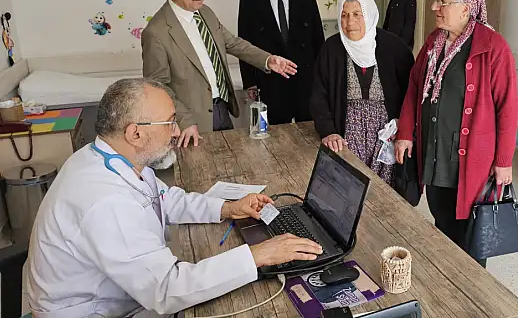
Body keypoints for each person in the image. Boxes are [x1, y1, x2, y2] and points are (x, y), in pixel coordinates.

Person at [25, 78, 322, 317]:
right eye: (169, 122)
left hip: (118, 294)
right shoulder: (105, 202)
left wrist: (229, 208)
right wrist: (257, 255)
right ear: (135, 133)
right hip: (93, 309)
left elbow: (165, 199)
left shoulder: (107, 157)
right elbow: (167, 289)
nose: (176, 132)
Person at [394, 0, 518, 268]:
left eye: (442, 1)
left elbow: (508, 107)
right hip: (435, 155)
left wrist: (503, 161)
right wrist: (406, 132)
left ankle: (472, 292)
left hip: (471, 158)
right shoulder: (435, 41)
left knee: (472, 233)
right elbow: (415, 87)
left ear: (466, 7)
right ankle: (448, 278)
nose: (435, 6)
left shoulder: (493, 46)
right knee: (443, 220)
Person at [142, 0, 297, 147]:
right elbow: (157, 87)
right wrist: (184, 120)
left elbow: (233, 43)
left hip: (223, 108)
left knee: (229, 166)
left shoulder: (205, 12)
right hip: (192, 122)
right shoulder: (156, 32)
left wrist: (267, 60)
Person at [311, 0, 414, 186]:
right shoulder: (331, 49)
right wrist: (328, 130)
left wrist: (405, 124)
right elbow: (318, 95)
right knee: (348, 188)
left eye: (357, 14)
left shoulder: (394, 47)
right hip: (347, 133)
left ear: (369, 14)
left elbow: (412, 92)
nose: (350, 22)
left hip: (386, 134)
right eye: (344, 15)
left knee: (386, 192)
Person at [239, 0, 325, 125]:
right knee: (277, 137)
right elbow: (243, 43)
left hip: (305, 79)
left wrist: (321, 79)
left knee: (309, 133)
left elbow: (318, 38)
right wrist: (250, 82)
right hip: (270, 81)